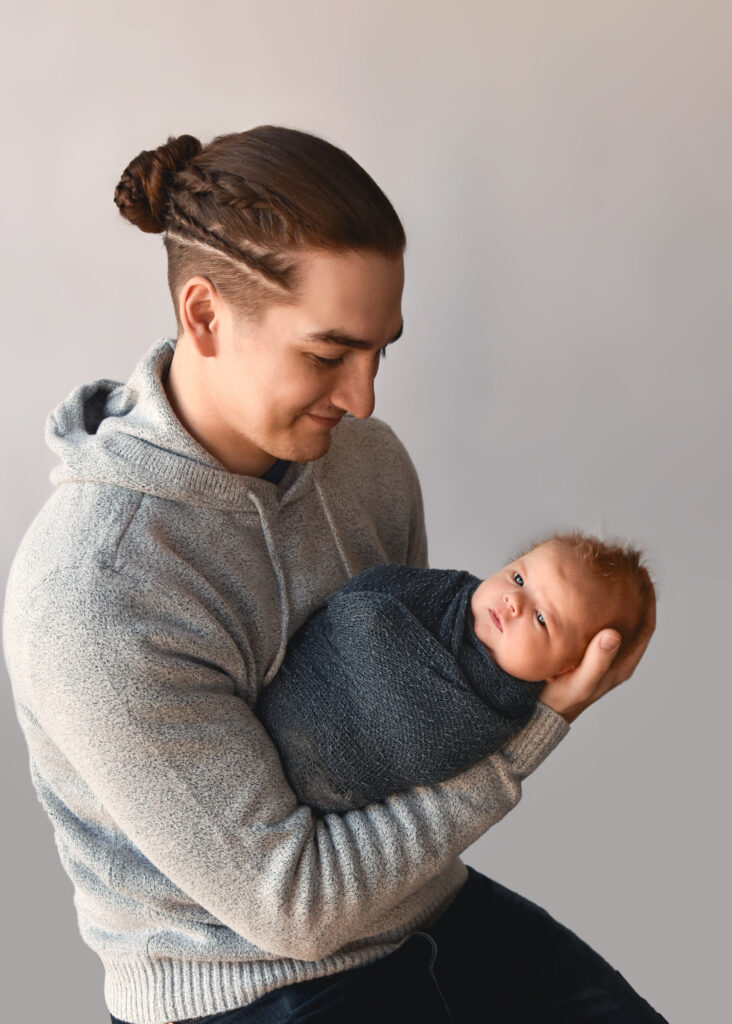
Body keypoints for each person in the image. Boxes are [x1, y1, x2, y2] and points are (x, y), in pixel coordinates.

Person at [2, 127, 665, 1024]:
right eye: (328, 355)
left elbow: (426, 728)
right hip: (244, 985)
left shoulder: (367, 463)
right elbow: (298, 907)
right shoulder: (95, 594)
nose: (365, 399)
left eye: (381, 350)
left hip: (418, 906)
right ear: (204, 316)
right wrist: (546, 723)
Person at [258, 533, 655, 814]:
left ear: (565, 669)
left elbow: (425, 754)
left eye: (541, 619)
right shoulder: (443, 595)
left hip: (327, 793)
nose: (513, 601)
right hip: (276, 711)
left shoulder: (500, 714)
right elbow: (363, 603)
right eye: (519, 578)